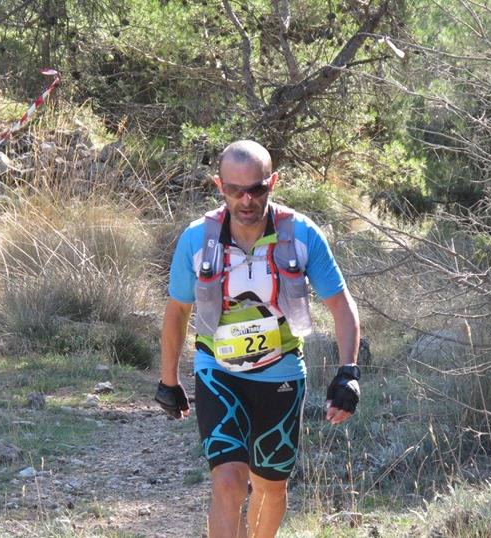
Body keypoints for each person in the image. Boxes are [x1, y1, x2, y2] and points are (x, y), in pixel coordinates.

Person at [155, 140, 361, 538]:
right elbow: (178, 311)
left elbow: (340, 305)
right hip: (218, 371)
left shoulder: (301, 235)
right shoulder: (197, 240)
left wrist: (348, 371)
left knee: (271, 487)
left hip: (281, 373)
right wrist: (168, 379)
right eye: (235, 190)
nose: (246, 200)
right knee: (229, 482)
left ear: (274, 183)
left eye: (257, 189)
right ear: (219, 186)